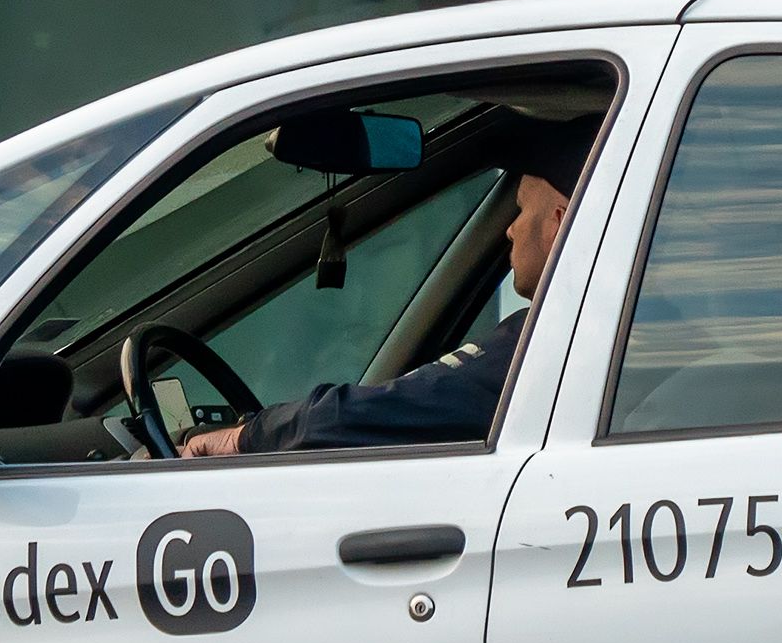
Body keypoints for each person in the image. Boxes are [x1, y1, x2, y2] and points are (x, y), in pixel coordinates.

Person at [181, 139, 580, 456]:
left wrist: (245, 438)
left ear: (558, 224)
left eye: (522, 209)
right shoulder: (582, 331)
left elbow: (388, 410)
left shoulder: (559, 339)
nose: (509, 230)